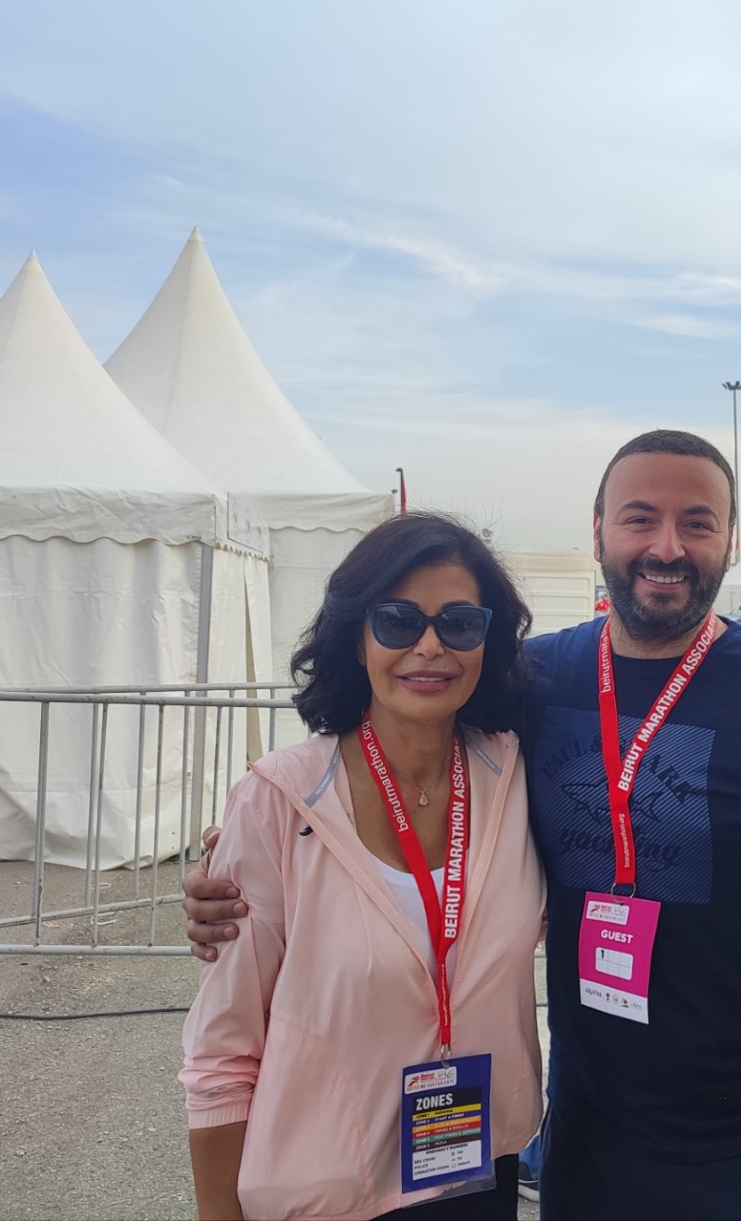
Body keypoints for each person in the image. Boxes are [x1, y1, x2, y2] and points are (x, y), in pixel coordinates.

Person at [186, 431, 741, 1221]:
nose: (666, 547)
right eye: (639, 518)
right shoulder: (534, 682)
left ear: (729, 539)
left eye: (696, 522)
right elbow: (399, 752)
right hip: (586, 1136)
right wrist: (250, 852)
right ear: (596, 531)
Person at [179, 513, 544, 1221]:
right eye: (398, 620)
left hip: (474, 1173)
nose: (430, 646)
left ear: (487, 639)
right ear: (357, 636)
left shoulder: (515, 774)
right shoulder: (278, 800)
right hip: (328, 1196)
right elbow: (222, 1055)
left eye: (459, 623)